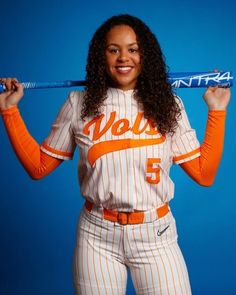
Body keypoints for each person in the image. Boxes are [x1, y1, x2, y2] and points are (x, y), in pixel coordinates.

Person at [0, 14, 230, 295]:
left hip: (156, 235)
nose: (124, 58)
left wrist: (217, 110)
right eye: (114, 50)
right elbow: (38, 167)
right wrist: (10, 111)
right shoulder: (78, 104)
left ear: (146, 55)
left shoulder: (169, 105)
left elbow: (204, 174)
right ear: (102, 56)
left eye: (133, 49)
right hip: (97, 235)